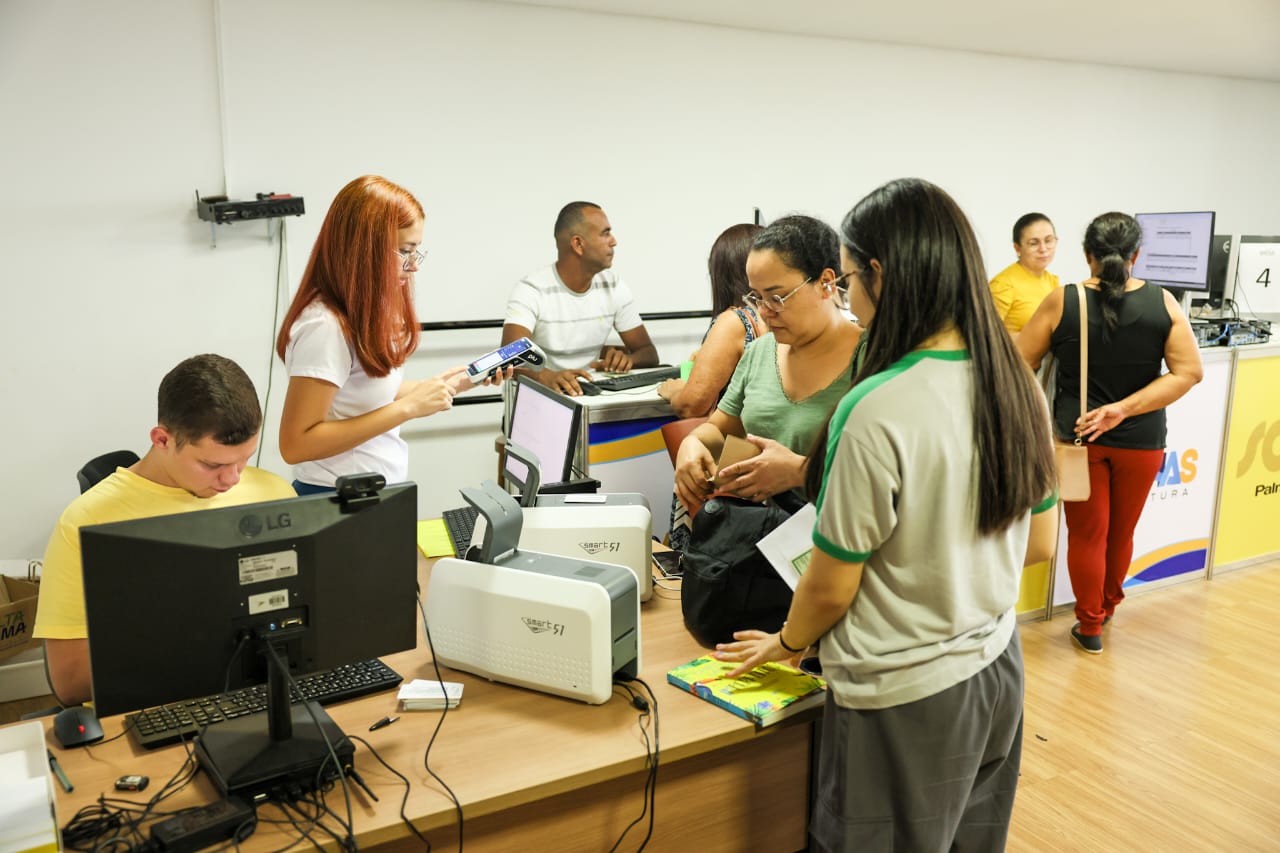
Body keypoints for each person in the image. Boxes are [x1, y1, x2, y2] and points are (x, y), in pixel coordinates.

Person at [713, 179, 1059, 852]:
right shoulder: (1016, 382)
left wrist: (783, 646)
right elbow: (1041, 542)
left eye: (845, 278)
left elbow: (833, 583)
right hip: (996, 668)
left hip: (904, 696)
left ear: (877, 273)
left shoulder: (875, 407)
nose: (846, 294)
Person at [32, 354, 296, 706]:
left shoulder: (274, 494)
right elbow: (71, 682)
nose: (232, 478)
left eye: (244, 459)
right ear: (162, 439)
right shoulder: (86, 522)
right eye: (212, 464)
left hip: (264, 692)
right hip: (153, 708)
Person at [1018, 211, 1203, 654]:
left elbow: (1017, 363)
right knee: (1121, 533)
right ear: (1137, 255)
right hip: (1142, 442)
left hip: (1077, 439)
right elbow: (1189, 372)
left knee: (1087, 535)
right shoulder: (1164, 303)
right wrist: (1124, 410)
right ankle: (1108, 606)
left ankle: (1091, 626)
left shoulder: (1063, 301)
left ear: (1088, 256)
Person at [277, 175, 502, 494]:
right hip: (335, 495)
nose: (413, 266)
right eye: (405, 251)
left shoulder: (364, 309)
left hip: (372, 490)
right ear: (363, 249)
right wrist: (408, 408)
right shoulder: (324, 326)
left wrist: (450, 384)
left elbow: (364, 394)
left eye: (416, 251)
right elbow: (296, 444)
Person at [673, 215, 860, 516]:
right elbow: (719, 431)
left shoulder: (872, 359)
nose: (765, 311)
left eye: (777, 296)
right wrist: (692, 444)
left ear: (826, 283)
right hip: (758, 539)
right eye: (757, 297)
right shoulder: (760, 352)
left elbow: (894, 473)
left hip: (838, 537)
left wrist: (801, 472)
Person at [502, 201, 658, 396]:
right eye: (605, 233)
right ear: (578, 244)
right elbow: (508, 359)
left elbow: (649, 353)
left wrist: (628, 359)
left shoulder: (613, 285)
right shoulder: (531, 290)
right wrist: (546, 376)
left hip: (586, 398)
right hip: (536, 403)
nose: (614, 241)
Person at [657, 223, 766, 419]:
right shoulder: (781, 315)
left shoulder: (735, 322)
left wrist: (675, 390)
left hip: (739, 443)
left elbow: (691, 405)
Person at [989, 212, 1060, 336]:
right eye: (1034, 243)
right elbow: (987, 334)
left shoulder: (1051, 281)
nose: (1043, 249)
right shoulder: (1003, 284)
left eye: (1048, 241)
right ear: (1017, 248)